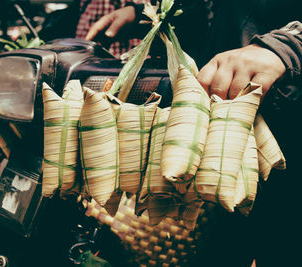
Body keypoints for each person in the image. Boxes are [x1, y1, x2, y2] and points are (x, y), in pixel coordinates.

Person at [84, 0, 302, 266]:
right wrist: (144, 15)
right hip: (217, 142)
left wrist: (287, 47)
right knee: (221, 247)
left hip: (284, 129)